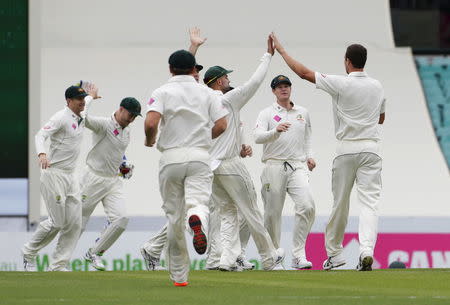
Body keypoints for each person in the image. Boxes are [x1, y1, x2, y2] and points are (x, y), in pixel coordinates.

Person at [271, 33, 386, 271]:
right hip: (372, 149)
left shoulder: (340, 82)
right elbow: (381, 118)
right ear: (365, 61)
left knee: (340, 204)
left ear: (347, 61)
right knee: (369, 204)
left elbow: (303, 73)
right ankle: (366, 250)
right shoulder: (377, 86)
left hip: (346, 150)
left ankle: (335, 254)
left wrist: (282, 52)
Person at [144, 49, 228, 286]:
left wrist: (150, 140)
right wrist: (203, 139)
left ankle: (179, 276)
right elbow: (222, 125)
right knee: (199, 203)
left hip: (170, 157)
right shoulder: (207, 93)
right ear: (194, 70)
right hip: (200, 156)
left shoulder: (162, 91)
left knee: (174, 217)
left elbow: (151, 122)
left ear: (170, 69)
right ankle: (196, 217)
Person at [203, 35, 284, 272]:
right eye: (226, 77)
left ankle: (225, 260)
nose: (229, 80)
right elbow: (255, 82)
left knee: (228, 212)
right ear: (218, 82)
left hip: (212, 167)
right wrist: (268, 56)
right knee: (251, 211)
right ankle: (269, 258)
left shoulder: (203, 101)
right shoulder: (228, 98)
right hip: (229, 165)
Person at [22, 84, 99, 271]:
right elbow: (40, 135)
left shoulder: (82, 110)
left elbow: (87, 101)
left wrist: (92, 96)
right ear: (69, 101)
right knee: (57, 222)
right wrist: (41, 154)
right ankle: (29, 252)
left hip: (70, 176)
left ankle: (58, 264)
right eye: (78, 99)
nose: (82, 102)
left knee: (74, 222)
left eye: (83, 98)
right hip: (53, 174)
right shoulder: (60, 118)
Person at [254, 75, 316, 270]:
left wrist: (309, 156)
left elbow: (307, 138)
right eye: (279, 87)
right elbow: (257, 137)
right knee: (272, 213)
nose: (283, 89)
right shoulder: (266, 113)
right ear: (273, 91)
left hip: (297, 165)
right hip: (274, 165)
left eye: (286, 86)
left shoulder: (302, 112)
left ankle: (298, 255)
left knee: (306, 206)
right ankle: (273, 257)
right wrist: (276, 131)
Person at [79, 94, 141, 271]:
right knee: (77, 223)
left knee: (121, 219)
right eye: (131, 115)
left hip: (113, 181)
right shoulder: (104, 124)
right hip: (93, 178)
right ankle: (58, 264)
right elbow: (83, 118)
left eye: (135, 116)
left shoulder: (127, 130)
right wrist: (89, 98)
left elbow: (117, 152)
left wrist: (124, 165)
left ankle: (94, 253)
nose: (132, 119)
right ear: (121, 109)